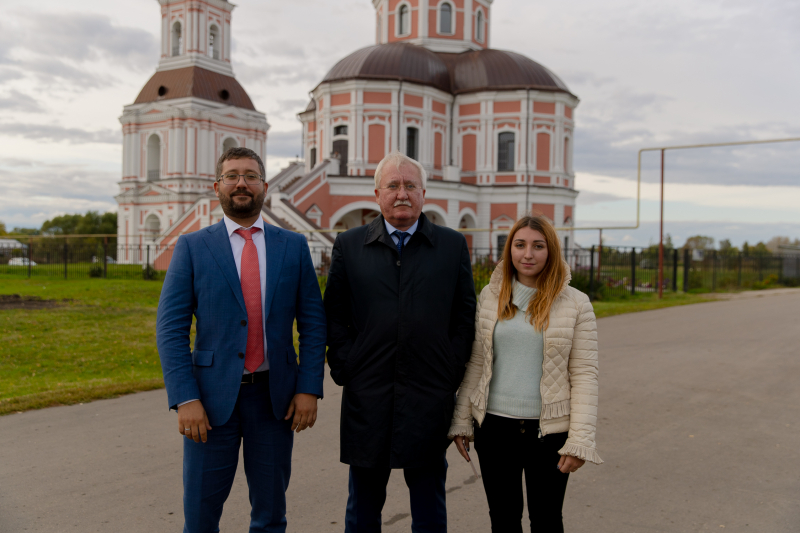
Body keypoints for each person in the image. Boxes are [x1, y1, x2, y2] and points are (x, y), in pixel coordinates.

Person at [156, 147, 327, 533]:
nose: (241, 183)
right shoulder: (192, 247)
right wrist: (185, 398)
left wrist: (308, 389)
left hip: (275, 401)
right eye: (232, 175)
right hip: (208, 402)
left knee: (270, 515)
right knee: (200, 516)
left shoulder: (294, 246)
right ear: (217, 186)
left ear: (264, 186)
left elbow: (314, 325)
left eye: (250, 176)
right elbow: (170, 329)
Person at [324, 151, 477, 533]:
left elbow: (465, 316)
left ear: (424, 193)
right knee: (363, 506)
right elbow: (335, 315)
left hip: (429, 395)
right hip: (368, 394)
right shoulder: (350, 245)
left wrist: (450, 370)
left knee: (428, 506)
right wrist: (347, 366)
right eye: (392, 185)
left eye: (410, 185)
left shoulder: (451, 245)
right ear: (378, 194)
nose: (402, 193)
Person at [449, 215, 602, 533]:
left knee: (547, 521)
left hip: (549, 434)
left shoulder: (576, 304)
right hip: (494, 430)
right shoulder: (490, 297)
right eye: (519, 245)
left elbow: (585, 374)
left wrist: (580, 441)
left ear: (551, 251)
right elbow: (476, 363)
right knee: (503, 520)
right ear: (510, 250)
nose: (528, 254)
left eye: (538, 246)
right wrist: (461, 420)